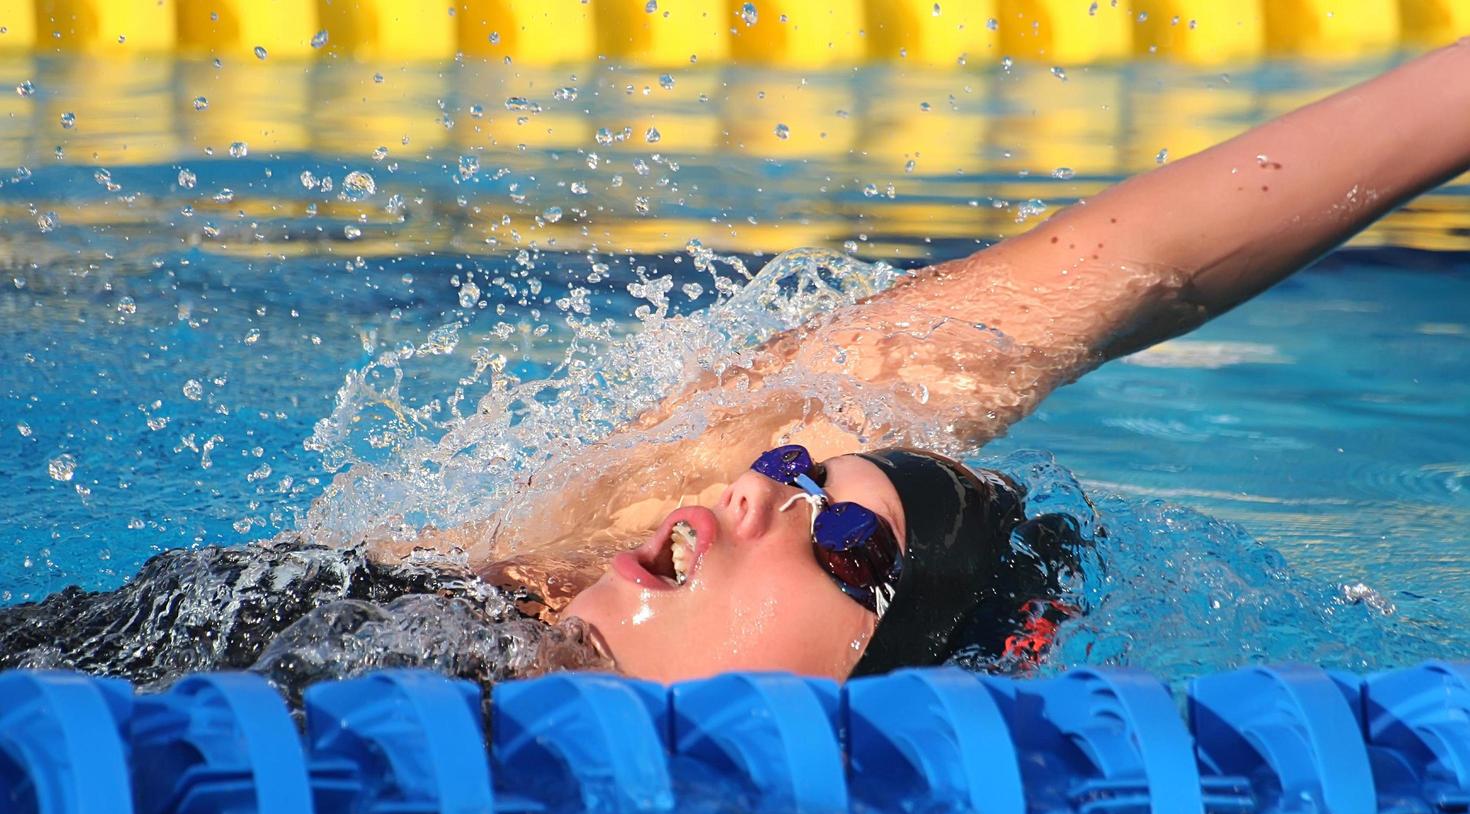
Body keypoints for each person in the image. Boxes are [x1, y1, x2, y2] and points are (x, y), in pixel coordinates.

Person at [4, 40, 1468, 697]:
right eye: (785, 473)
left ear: (888, 689)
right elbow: (1094, 281)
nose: (759, 496)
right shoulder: (487, 581)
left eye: (838, 542)